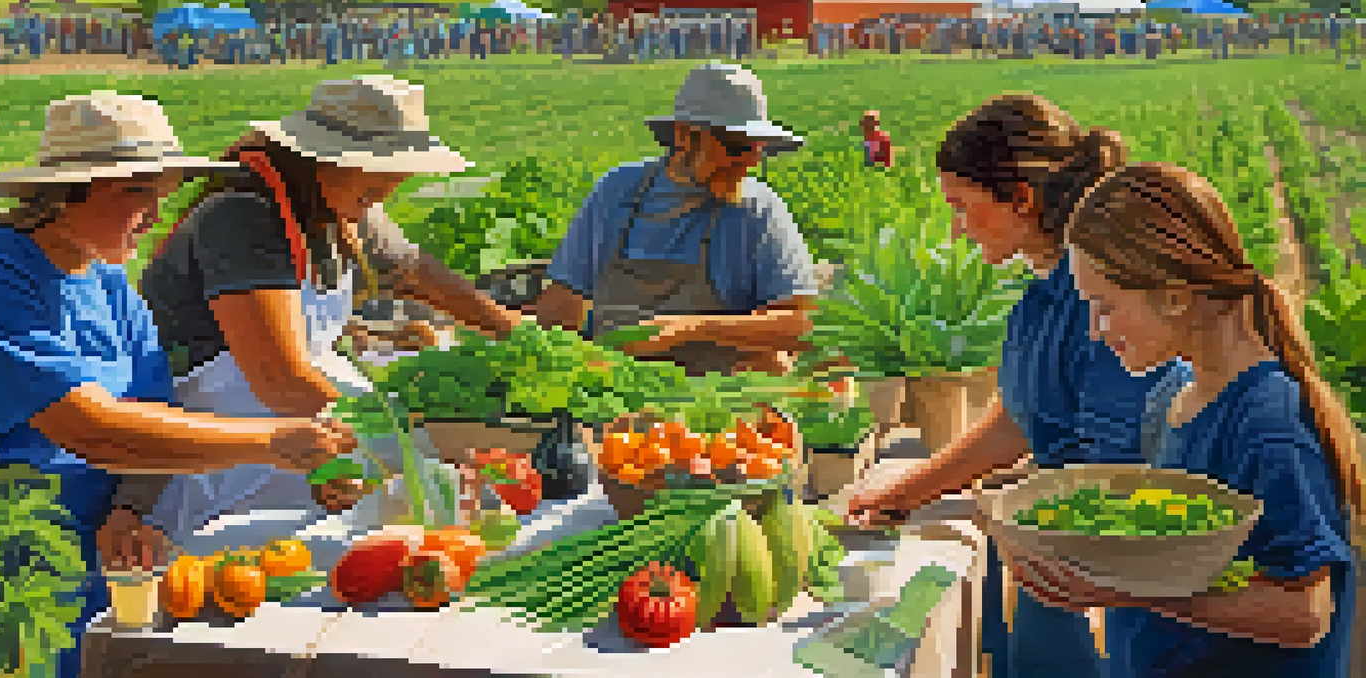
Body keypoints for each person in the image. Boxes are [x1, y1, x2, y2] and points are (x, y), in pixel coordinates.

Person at [0, 92, 357, 678]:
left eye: (162, 194)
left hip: (62, 556)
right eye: (137, 193)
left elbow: (154, 410)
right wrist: (270, 442)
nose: (156, 214)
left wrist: (130, 509)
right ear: (63, 193)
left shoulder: (106, 281)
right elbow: (91, 429)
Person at [844, 94, 1188, 678]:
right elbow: (1019, 423)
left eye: (962, 206)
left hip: (1095, 588)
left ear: (1021, 199)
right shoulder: (1040, 296)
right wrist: (904, 492)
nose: (956, 228)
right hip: (1047, 564)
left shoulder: (1105, 309)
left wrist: (1002, 510)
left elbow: (1122, 475)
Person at [132, 75, 524, 545]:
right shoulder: (241, 217)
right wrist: (398, 462)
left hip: (307, 431)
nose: (397, 181)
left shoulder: (344, 209)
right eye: (383, 166)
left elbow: (416, 272)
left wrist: (519, 332)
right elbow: (281, 382)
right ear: (321, 157)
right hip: (231, 457)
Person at [1011, 162, 1363, 677]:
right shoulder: (1172, 396)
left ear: (1175, 294)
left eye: (1104, 307)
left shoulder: (1267, 422)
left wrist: (1123, 589)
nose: (1094, 331)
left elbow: (1305, 613)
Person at [531, 61, 818, 378]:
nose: (751, 160)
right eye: (738, 146)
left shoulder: (760, 211)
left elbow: (801, 325)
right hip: (616, 393)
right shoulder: (616, 192)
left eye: (759, 148)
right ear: (685, 137)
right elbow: (563, 305)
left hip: (721, 403)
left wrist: (692, 327)